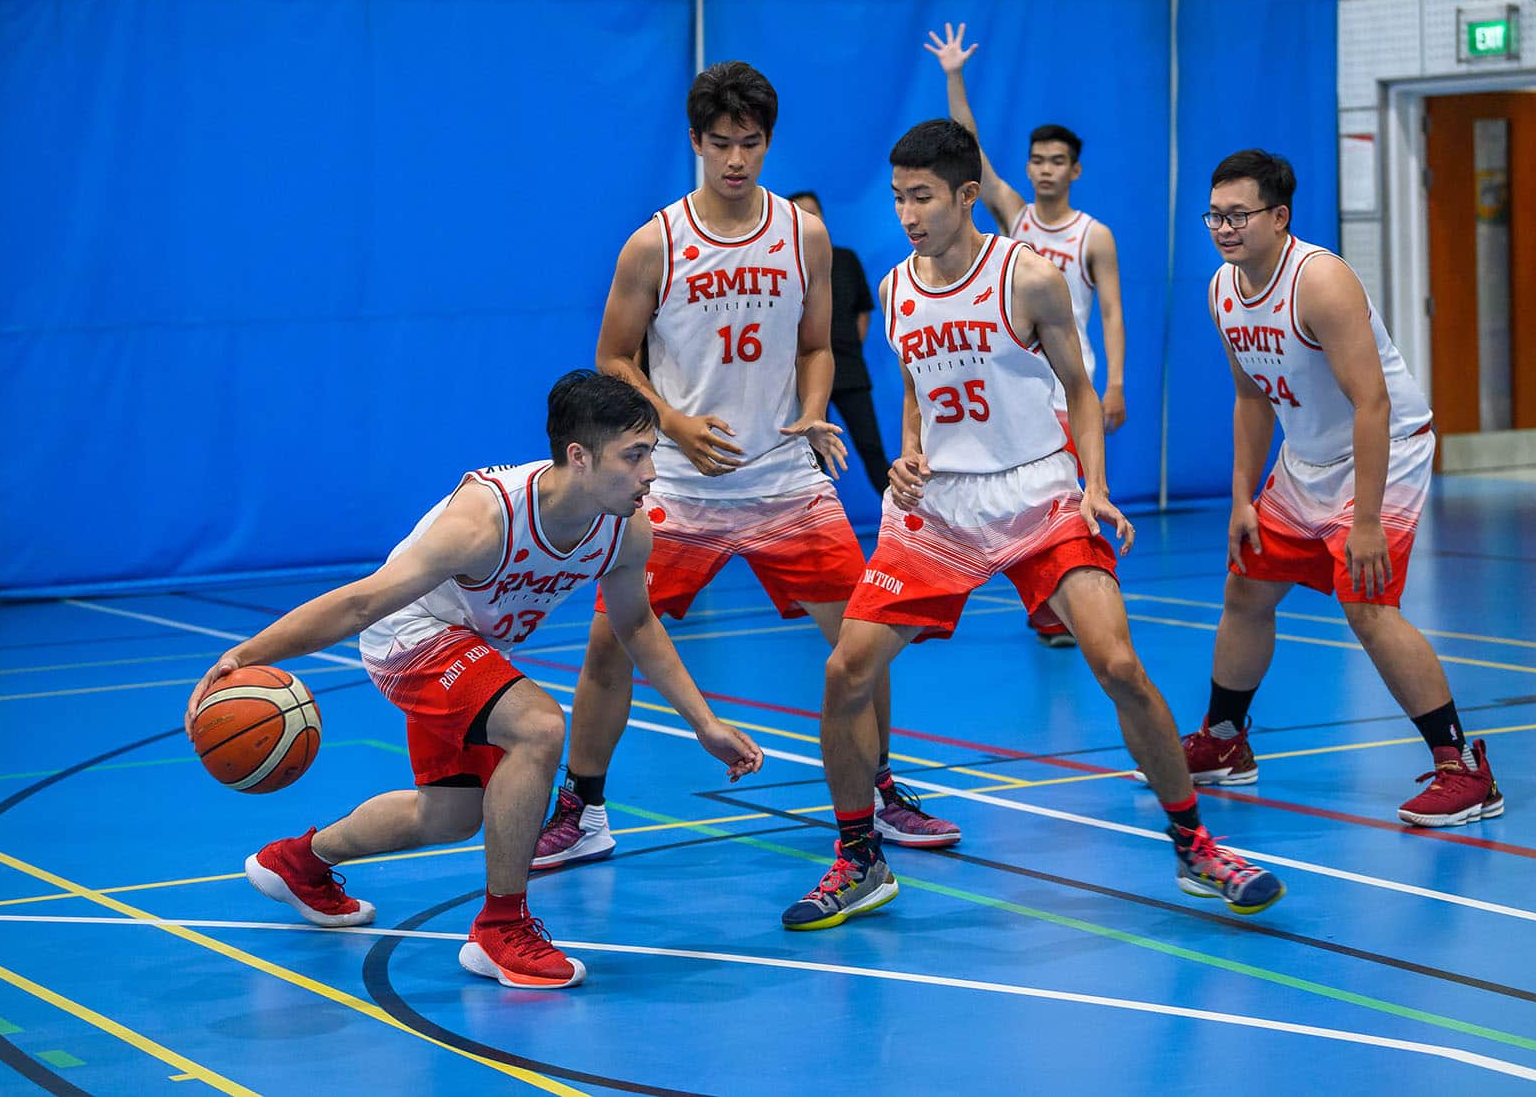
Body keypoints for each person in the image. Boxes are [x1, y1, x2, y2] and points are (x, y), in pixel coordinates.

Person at [779, 119, 1285, 931]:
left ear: (966, 195)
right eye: (898, 198)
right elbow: (916, 384)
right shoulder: (900, 285)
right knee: (846, 672)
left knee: (1118, 663)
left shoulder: (1031, 277)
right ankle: (859, 857)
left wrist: (1096, 485)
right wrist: (908, 450)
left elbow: (1080, 390)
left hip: (1042, 494)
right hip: (940, 508)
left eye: (923, 197)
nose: (907, 214)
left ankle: (1195, 844)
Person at [181, 372, 764, 989]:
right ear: (578, 457)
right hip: (409, 637)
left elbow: (637, 625)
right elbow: (362, 605)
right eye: (635, 455)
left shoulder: (626, 526)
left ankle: (298, 862)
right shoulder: (485, 519)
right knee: (539, 727)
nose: (651, 472)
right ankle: (500, 930)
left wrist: (704, 724)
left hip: (470, 646)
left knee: (450, 816)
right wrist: (248, 654)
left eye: (652, 453)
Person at [536, 63, 960, 873]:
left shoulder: (801, 236)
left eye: (752, 143)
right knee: (605, 646)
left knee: (860, 642)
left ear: (768, 142)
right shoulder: (654, 242)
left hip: (784, 480)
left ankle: (879, 789)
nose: (737, 159)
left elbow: (816, 347)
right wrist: (677, 425)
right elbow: (612, 357)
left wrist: (812, 407)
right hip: (679, 484)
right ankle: (583, 807)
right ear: (696, 142)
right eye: (721, 143)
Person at [1190, 149, 1504, 827]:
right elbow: (1250, 400)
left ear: (1279, 217)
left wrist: (1364, 523)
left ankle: (1465, 771)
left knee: (1365, 604)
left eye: (1237, 214)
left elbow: (1374, 405)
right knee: (1245, 586)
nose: (1223, 227)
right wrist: (1243, 496)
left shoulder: (1321, 282)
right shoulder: (1222, 290)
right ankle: (1222, 742)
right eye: (1214, 214)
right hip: (1305, 462)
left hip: (1382, 452)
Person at [927, 22, 1129, 649]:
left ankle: (1076, 597)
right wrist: (955, 76)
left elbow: (1115, 313)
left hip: (1071, 383)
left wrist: (1114, 383)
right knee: (1014, 490)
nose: (1045, 169)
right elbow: (970, 152)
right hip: (1013, 386)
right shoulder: (1013, 218)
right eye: (1037, 160)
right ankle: (1043, 598)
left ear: (1075, 170)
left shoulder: (1092, 236)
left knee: (1071, 496)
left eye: (1057, 161)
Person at [789, 189, 891, 497]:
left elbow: (863, 309)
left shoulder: (845, 260)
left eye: (813, 214)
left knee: (870, 445)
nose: (808, 222)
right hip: (802, 375)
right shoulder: (783, 268)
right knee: (810, 453)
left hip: (848, 367)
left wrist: (847, 346)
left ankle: (902, 519)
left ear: (822, 219)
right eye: (799, 216)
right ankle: (816, 523)